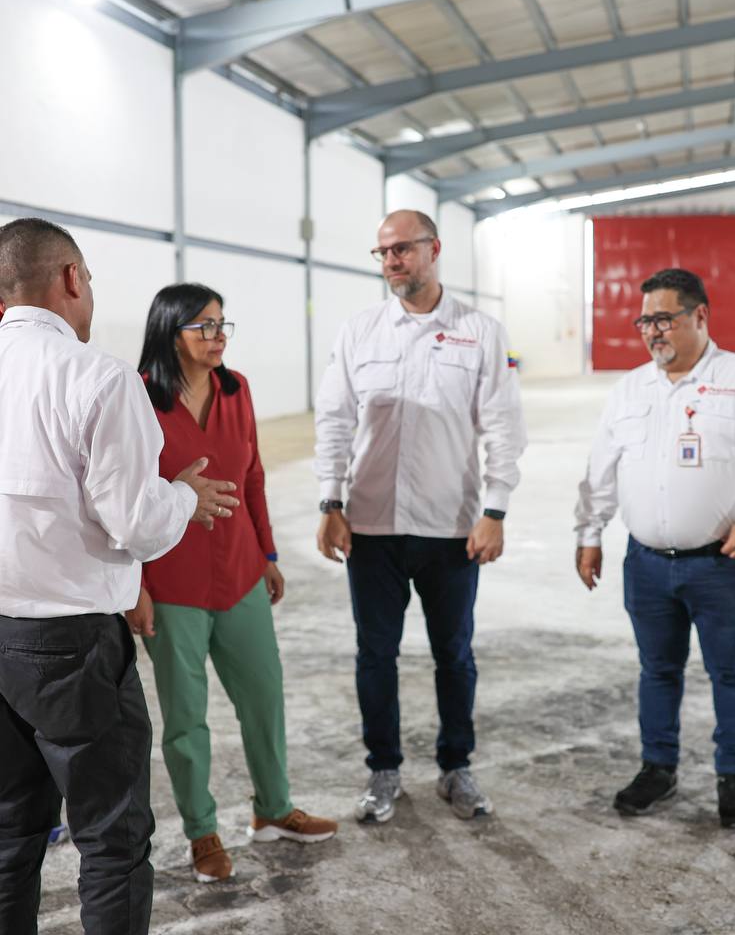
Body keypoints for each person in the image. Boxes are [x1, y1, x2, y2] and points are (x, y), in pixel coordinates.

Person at [0, 218, 239, 935]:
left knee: (10, 832)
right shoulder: (96, 376)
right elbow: (137, 524)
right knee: (111, 838)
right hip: (70, 647)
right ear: (71, 278)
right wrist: (183, 496)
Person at [315, 210, 527, 823]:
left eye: (403, 249)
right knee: (375, 655)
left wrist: (494, 510)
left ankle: (456, 766)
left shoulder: (480, 332)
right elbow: (334, 419)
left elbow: (504, 427)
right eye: (383, 252)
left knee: (454, 655)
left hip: (451, 528)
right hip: (371, 527)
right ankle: (383, 769)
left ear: (434, 249)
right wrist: (331, 501)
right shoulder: (360, 331)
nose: (391, 261)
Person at [574, 268, 735, 829]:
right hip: (646, 564)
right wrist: (590, 532)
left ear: (700, 315)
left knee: (730, 670)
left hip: (720, 563)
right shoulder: (630, 390)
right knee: (657, 670)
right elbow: (601, 470)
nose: (652, 332)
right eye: (644, 322)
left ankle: (734, 773)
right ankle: (658, 767)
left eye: (663, 319)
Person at [127, 284, 338, 883]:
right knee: (186, 719)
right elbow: (123, 497)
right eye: (204, 326)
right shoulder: (138, 398)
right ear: (170, 332)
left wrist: (267, 552)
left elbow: (253, 477)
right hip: (173, 582)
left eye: (222, 325)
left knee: (263, 698)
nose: (218, 336)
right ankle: (202, 832)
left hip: (241, 572)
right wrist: (134, 584)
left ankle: (273, 810)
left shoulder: (236, 389)